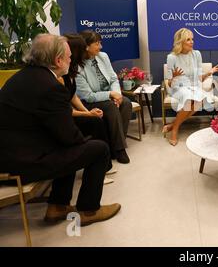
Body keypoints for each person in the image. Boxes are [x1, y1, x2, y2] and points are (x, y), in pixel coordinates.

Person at [0, 34, 121, 226]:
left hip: (10, 154)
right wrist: (85, 145)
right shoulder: (49, 86)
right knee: (98, 150)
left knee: (70, 147)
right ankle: (89, 210)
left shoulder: (23, 76)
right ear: (58, 60)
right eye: (69, 56)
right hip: (19, 163)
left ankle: (57, 207)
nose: (72, 60)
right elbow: (69, 137)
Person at [64, 34, 116, 184]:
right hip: (64, 116)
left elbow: (72, 96)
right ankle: (101, 169)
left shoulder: (70, 69)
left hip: (72, 110)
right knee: (95, 123)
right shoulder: (61, 75)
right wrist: (87, 114)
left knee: (96, 120)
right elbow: (64, 109)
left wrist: (87, 113)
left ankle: (106, 165)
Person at [75, 30, 132, 164]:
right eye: (97, 43)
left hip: (109, 96)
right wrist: (110, 95)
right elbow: (88, 96)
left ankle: (117, 143)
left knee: (126, 103)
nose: (100, 47)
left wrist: (116, 94)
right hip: (89, 102)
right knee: (111, 107)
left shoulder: (103, 56)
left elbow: (113, 78)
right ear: (86, 46)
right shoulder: (78, 67)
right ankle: (119, 149)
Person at [163, 28, 218, 146]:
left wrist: (209, 73)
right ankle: (175, 130)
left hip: (194, 86)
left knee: (201, 100)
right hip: (178, 87)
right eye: (188, 40)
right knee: (190, 98)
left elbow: (198, 78)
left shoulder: (196, 54)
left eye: (192, 39)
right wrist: (173, 77)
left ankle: (172, 125)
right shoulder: (172, 57)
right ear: (180, 42)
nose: (192, 42)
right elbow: (168, 83)